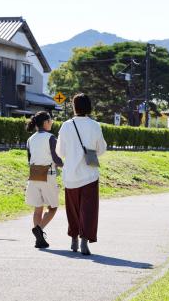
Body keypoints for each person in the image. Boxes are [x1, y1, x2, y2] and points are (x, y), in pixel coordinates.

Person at [56, 93, 107, 255]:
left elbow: (60, 151)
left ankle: (73, 238)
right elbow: (101, 149)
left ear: (74, 106)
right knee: (89, 209)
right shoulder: (95, 125)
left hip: (70, 174)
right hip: (90, 173)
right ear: (89, 106)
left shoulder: (66, 125)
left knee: (73, 209)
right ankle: (85, 239)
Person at [25, 111, 64, 248]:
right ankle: (39, 229)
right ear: (46, 122)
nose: (52, 122)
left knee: (38, 208)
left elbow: (29, 159)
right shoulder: (51, 138)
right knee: (53, 207)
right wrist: (66, 165)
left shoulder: (30, 139)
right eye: (51, 120)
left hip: (34, 174)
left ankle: (39, 239)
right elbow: (56, 158)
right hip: (48, 174)